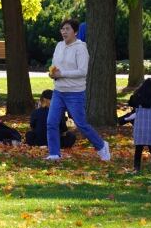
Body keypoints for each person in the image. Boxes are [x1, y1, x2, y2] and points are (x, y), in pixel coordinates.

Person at [46, 19, 111, 161]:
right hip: (58, 91)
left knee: (81, 124)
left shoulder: (81, 48)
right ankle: (54, 154)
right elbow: (54, 65)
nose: (64, 32)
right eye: (62, 29)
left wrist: (61, 73)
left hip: (75, 93)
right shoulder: (59, 46)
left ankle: (101, 146)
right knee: (51, 122)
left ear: (75, 32)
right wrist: (52, 73)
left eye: (67, 29)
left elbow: (82, 71)